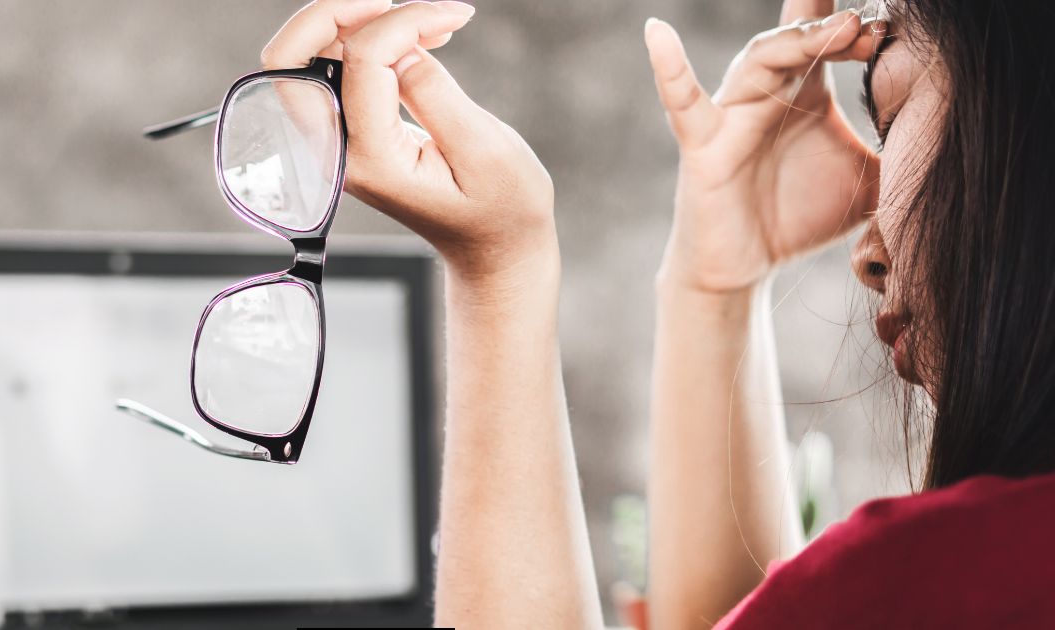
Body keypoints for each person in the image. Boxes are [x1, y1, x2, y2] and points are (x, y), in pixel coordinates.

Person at [259, 0, 1055, 627]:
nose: (868, 253)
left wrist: (498, 265)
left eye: (888, 112)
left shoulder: (950, 573)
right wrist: (717, 281)